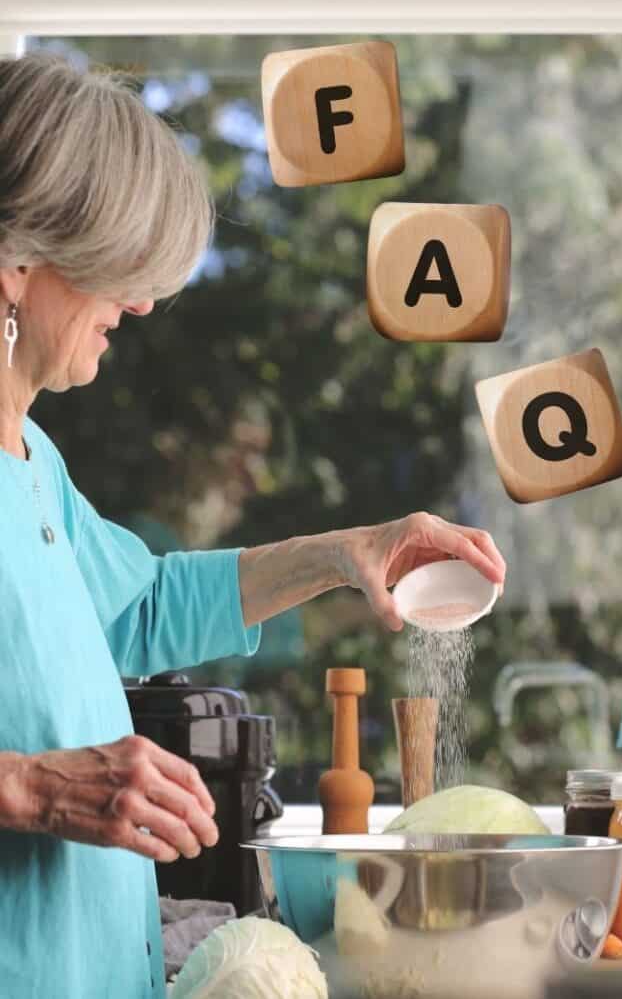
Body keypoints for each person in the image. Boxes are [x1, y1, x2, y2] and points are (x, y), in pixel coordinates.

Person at [0, 51, 506, 999]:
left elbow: (142, 605)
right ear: (20, 260)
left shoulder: (33, 465)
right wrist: (31, 787)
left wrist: (339, 554)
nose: (142, 304)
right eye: (121, 269)